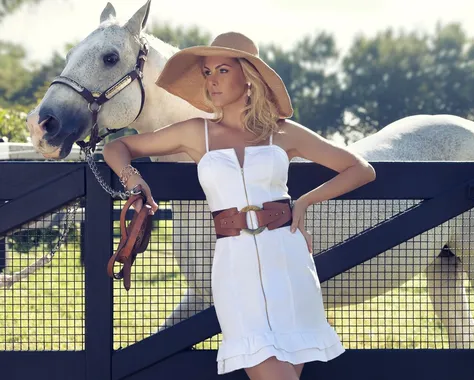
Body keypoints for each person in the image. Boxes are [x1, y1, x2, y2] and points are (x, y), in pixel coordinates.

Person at [103, 32, 376, 380]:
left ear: (248, 75)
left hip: (288, 262)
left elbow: (360, 169)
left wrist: (305, 201)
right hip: (234, 265)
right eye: (206, 73)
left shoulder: (285, 133)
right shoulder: (194, 132)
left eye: (222, 71)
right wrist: (132, 180)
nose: (212, 81)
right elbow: (117, 148)